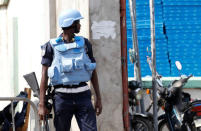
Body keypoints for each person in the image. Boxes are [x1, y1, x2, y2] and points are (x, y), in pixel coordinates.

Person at [38, 9, 102, 131]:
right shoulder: (50, 46)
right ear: (71, 24)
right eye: (78, 22)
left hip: (83, 96)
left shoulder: (85, 44)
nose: (80, 25)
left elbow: (92, 70)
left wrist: (98, 98)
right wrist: (41, 104)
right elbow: (44, 76)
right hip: (62, 98)